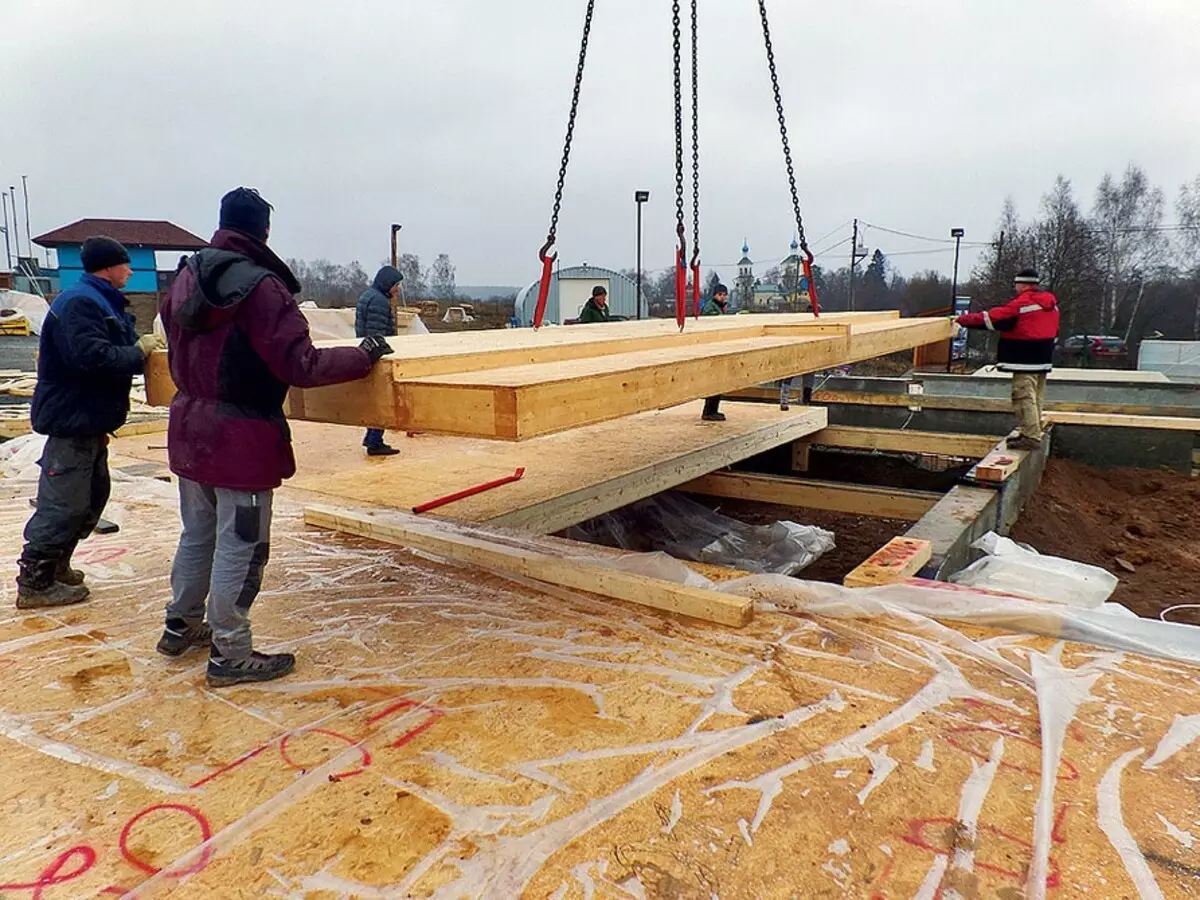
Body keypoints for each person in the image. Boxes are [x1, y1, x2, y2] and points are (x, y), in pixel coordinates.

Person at [158, 187, 394, 687]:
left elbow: (176, 333)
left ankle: (180, 625)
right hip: (239, 439)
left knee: (198, 535)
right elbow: (300, 363)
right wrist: (364, 355)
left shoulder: (186, 276)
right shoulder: (260, 287)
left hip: (191, 429)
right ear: (263, 231)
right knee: (240, 546)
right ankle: (230, 653)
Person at [15, 237, 165, 609]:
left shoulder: (97, 300)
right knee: (64, 502)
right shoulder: (81, 302)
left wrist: (135, 344)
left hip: (89, 418)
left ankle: (57, 564)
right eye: (125, 264)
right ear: (108, 267)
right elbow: (92, 357)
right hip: (73, 418)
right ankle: (36, 580)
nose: (130, 270)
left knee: (91, 497)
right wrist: (137, 352)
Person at [956, 267, 1059, 451]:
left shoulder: (1022, 303)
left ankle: (1030, 436)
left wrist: (962, 320)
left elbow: (992, 318)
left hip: (1024, 358)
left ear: (1023, 285)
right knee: (1036, 395)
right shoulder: (1050, 304)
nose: (1015, 287)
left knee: (1023, 396)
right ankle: (1031, 430)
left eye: (1017, 283)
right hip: (1043, 357)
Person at [355, 265, 403, 456]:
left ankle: (373, 437)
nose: (397, 289)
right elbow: (377, 332)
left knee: (375, 398)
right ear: (388, 284)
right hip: (376, 355)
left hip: (365, 351)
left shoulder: (369, 295)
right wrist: (385, 353)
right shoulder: (379, 301)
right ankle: (374, 441)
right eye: (396, 285)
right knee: (381, 398)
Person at [700, 283, 730, 421]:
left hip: (719, 347)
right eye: (720, 295)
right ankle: (709, 411)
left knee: (719, 380)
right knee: (715, 380)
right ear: (715, 295)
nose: (723, 297)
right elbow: (710, 324)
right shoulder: (710, 308)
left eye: (724, 295)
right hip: (711, 348)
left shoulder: (719, 307)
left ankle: (713, 409)